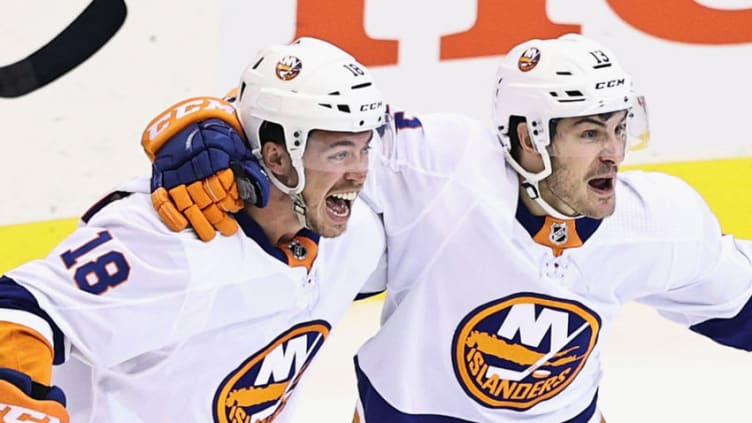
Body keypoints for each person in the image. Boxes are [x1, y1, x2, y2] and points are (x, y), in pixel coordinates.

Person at [140, 34, 752, 422]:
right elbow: (305, 121)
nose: (615, 153)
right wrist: (216, 130)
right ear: (527, 139)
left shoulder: (658, 222)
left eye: (619, 129)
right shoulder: (435, 165)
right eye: (589, 133)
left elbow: (741, 301)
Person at [0, 37, 391, 422]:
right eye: (339, 153)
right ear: (276, 156)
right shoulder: (171, 242)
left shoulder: (356, 239)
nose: (359, 172)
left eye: (364, 148)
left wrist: (211, 112)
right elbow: (19, 309)